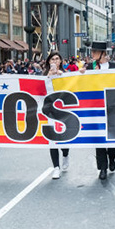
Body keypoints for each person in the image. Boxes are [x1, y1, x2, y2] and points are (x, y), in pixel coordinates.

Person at [84, 41, 115, 180]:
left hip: (113, 107)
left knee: (113, 137)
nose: (92, 54)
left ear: (103, 53)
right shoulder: (89, 67)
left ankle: (112, 157)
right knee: (98, 139)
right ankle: (102, 168)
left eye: (94, 52)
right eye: (91, 51)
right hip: (96, 108)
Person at [44, 51, 70, 179]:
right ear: (49, 62)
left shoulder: (65, 75)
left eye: (57, 59)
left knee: (64, 139)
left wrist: (61, 77)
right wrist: (49, 76)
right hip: (49, 112)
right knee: (52, 140)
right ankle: (56, 167)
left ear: (60, 61)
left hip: (63, 111)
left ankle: (65, 154)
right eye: (52, 59)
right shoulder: (44, 76)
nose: (55, 61)